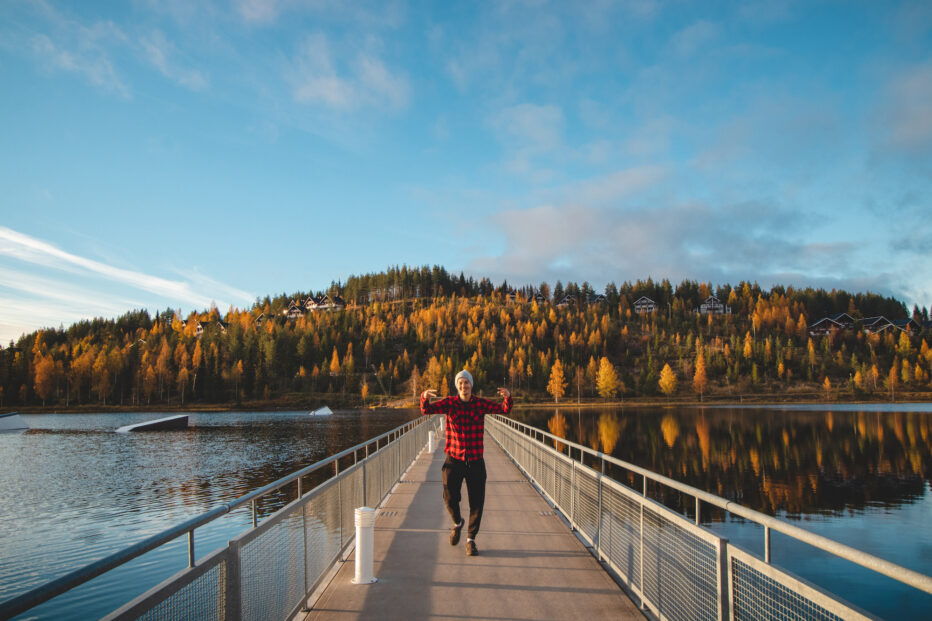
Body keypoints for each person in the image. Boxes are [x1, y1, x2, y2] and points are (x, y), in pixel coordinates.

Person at [420, 369, 512, 556]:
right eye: (461, 383)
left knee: (477, 502)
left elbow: (504, 410)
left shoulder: (480, 404)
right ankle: (457, 522)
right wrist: (424, 397)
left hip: (476, 461)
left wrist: (508, 398)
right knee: (449, 495)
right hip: (454, 459)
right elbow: (426, 410)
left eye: (467, 383)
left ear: (471, 385)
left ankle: (471, 539)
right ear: (457, 386)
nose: (464, 386)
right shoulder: (450, 403)